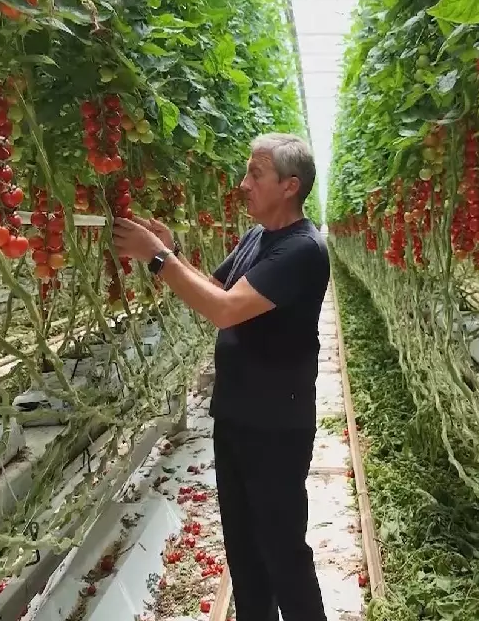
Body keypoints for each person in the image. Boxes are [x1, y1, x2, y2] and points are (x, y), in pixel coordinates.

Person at [112, 133, 330, 621]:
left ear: (290, 185)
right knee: (244, 551)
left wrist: (159, 259)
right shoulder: (258, 236)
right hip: (235, 415)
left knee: (282, 553)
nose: (243, 184)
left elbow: (225, 311)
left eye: (256, 174)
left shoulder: (303, 249)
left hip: (276, 426)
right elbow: (216, 287)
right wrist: (172, 252)